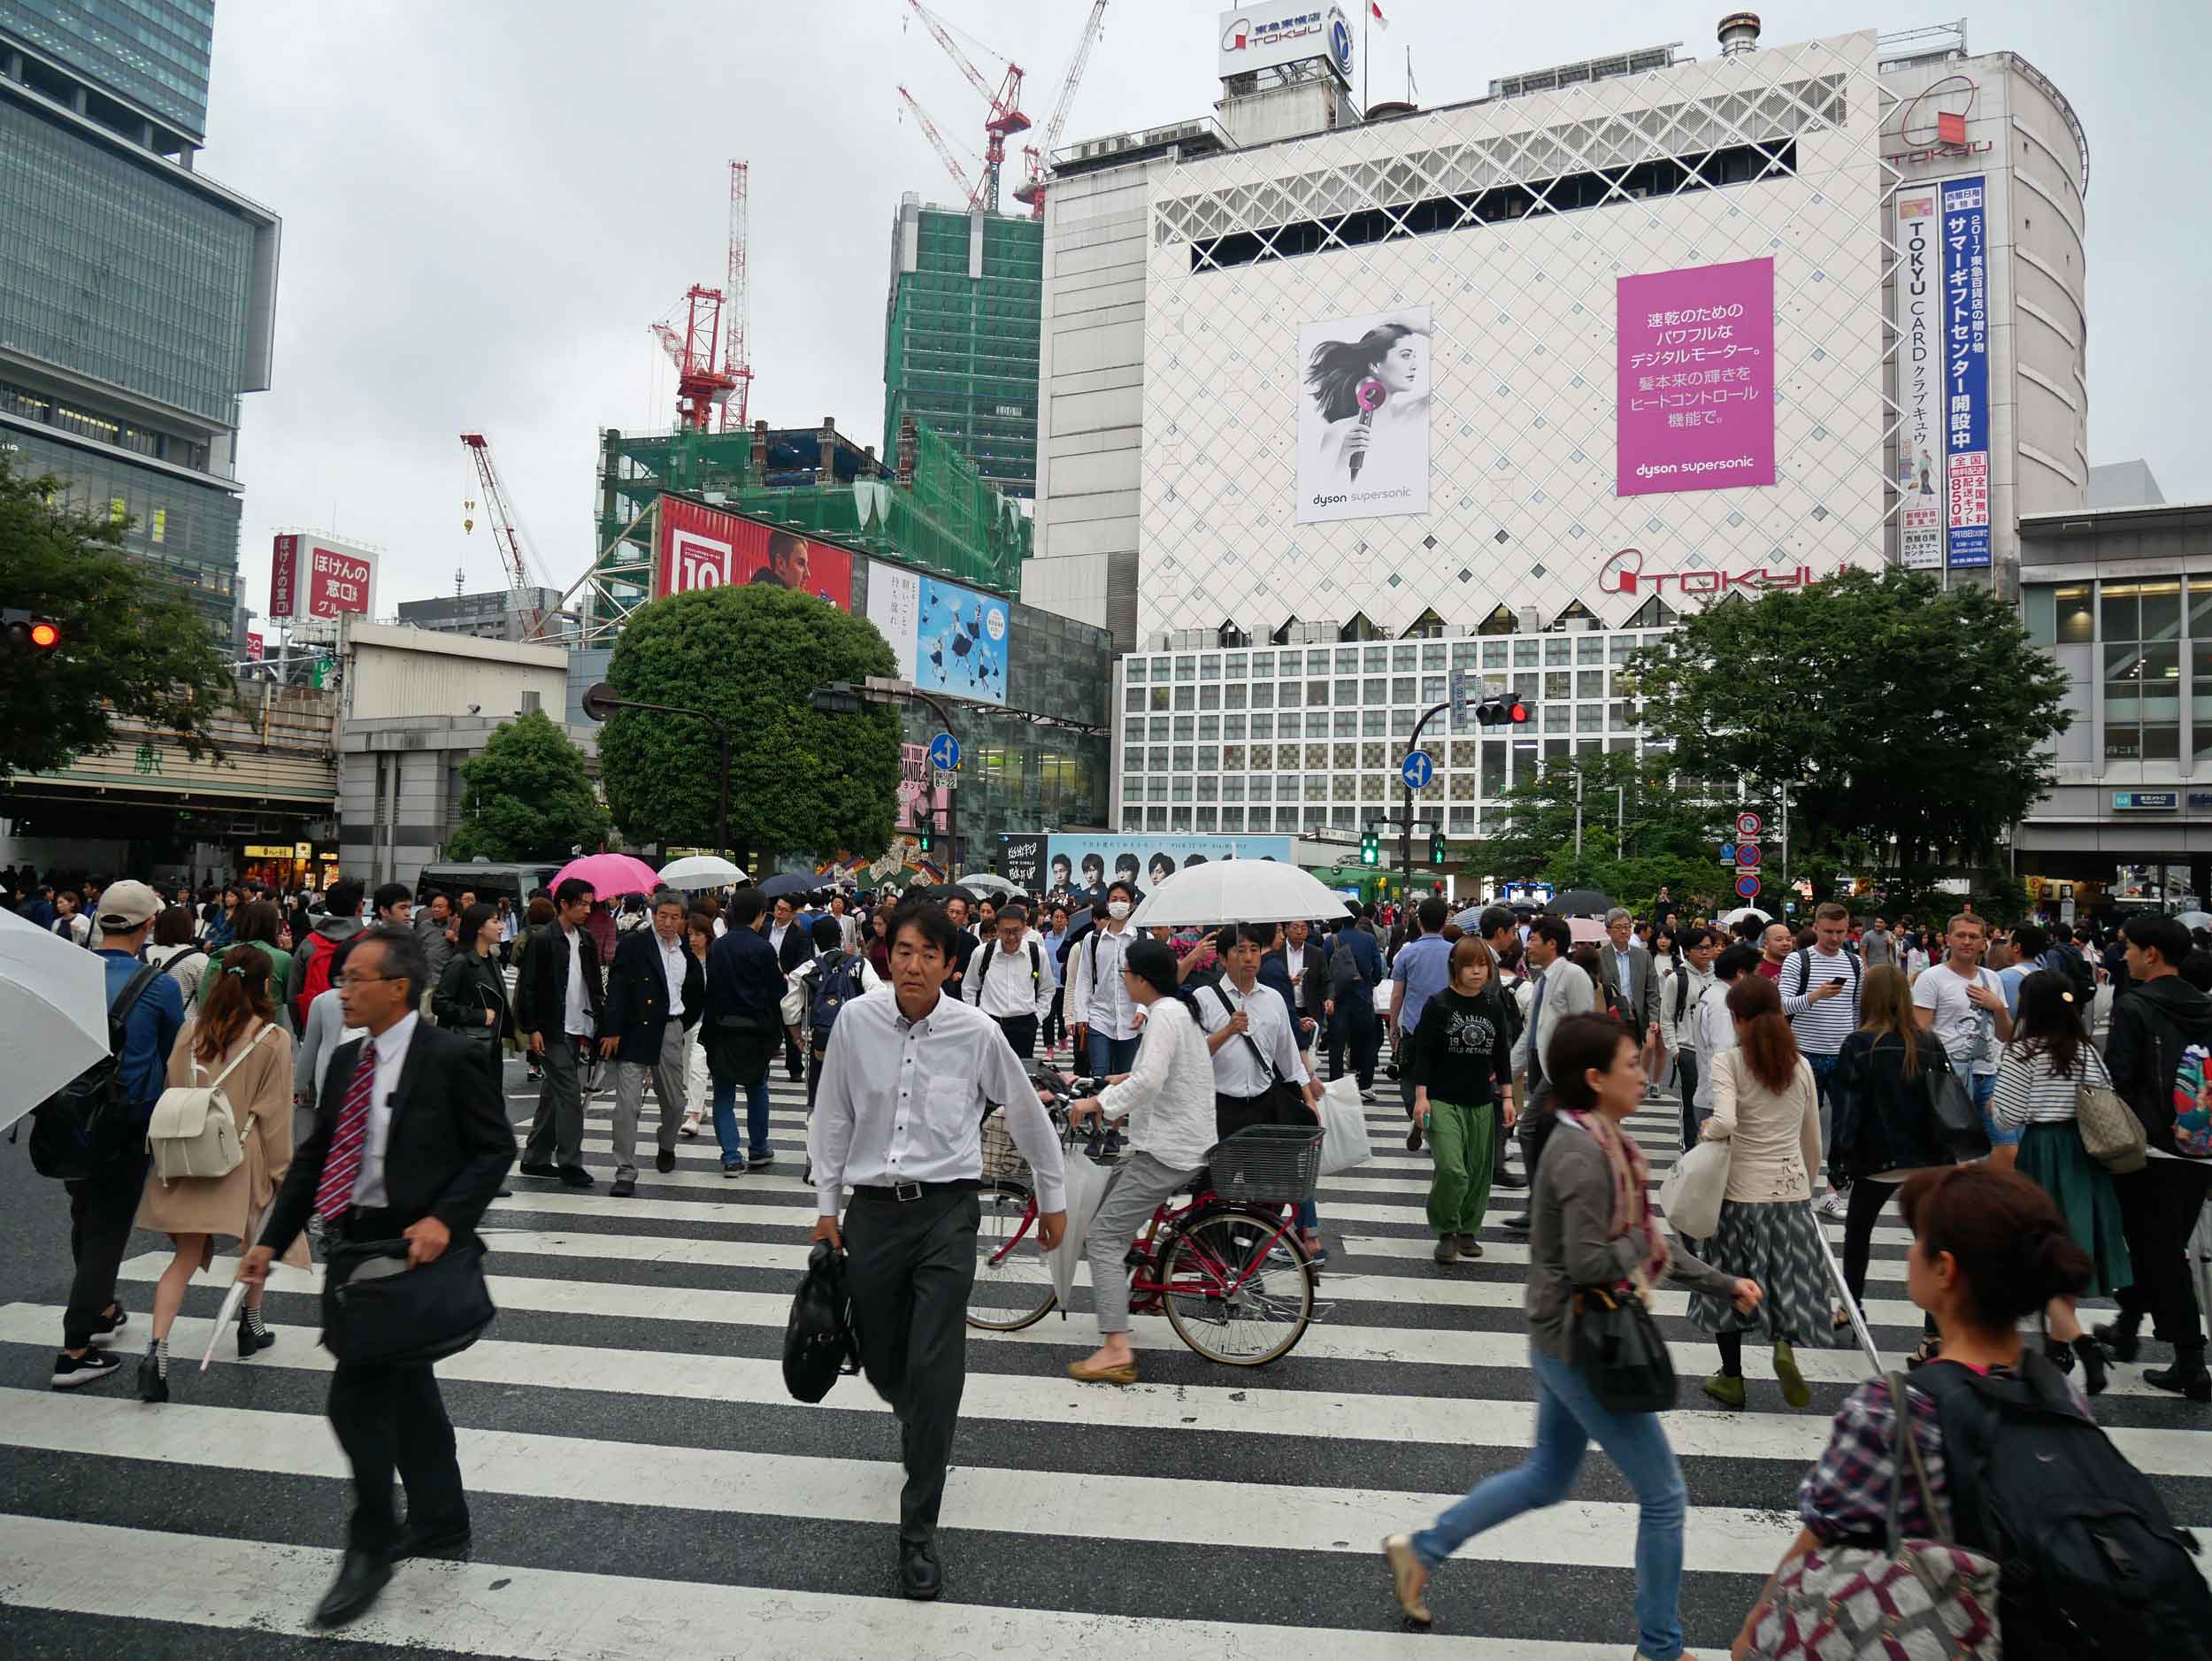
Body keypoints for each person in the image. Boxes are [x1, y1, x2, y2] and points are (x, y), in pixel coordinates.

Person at [1384, 1013, 1759, 1652]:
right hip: (1584, 1338)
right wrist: (1644, 1245)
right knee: (1665, 1495)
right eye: (1633, 1064)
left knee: (1548, 1475)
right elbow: (1594, 1259)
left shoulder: (1601, 1137)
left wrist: (1721, 1281)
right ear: (1595, 1077)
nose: (1646, 1073)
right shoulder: (1585, 1151)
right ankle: (1662, 1645)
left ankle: (1423, 1548)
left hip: (1563, 1331)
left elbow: (1641, 1241)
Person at [240, 925, 516, 1628]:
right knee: (408, 1389)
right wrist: (270, 1240)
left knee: (354, 1399)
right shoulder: (345, 1059)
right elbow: (315, 1159)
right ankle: (441, 1518)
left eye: (358, 976)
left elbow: (493, 1150)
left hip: (414, 1249)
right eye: (343, 976)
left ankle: (370, 1543)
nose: (344, 988)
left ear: (399, 986)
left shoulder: (449, 1058)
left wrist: (446, 1220)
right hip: (356, 1248)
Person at [1732, 1167, 2108, 1659]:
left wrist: (1750, 1637)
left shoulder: (1894, 1409)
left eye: (1919, 1240)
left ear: (1945, 1269)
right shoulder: (2058, 1394)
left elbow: (1819, 1537)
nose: (1909, 1252)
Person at [807, 899, 1068, 1601]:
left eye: (929, 953)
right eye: (903, 951)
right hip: (872, 1218)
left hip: (947, 1213)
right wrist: (826, 1209)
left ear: (952, 965)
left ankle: (918, 1529)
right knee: (888, 1361)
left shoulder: (975, 1031)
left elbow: (1023, 1107)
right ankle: (915, 1414)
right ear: (885, 955)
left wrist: (1052, 1193)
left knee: (936, 1364)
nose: (913, 964)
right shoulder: (856, 1024)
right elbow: (830, 1116)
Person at [132, 945, 306, 1400]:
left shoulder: (191, 1033)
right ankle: (250, 1325)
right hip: (240, 1155)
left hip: (189, 1153)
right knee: (257, 1244)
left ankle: (157, 1350)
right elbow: (274, 1113)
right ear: (265, 985)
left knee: (183, 1259)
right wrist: (284, 1171)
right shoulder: (271, 1038)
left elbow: (174, 1087)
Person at [1067, 935, 1223, 1386]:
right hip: (1181, 1141)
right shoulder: (1176, 1011)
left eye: (1125, 973)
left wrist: (1096, 1104)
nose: (1123, 980)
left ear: (1140, 978)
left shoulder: (1164, 1016)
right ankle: (1147, 1282)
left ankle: (1116, 1348)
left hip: (1169, 1149)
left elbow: (1150, 1081)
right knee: (1110, 1194)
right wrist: (1107, 1080)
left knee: (1102, 1239)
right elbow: (1154, 1073)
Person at [50, 880, 188, 1388]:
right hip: (127, 1120)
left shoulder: (71, 977)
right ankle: (75, 1347)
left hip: (67, 1116)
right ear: (148, 925)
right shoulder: (160, 986)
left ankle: (102, 1308)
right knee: (108, 1226)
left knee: (85, 1213)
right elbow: (174, 1055)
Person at [1688, 974, 1841, 1411]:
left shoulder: (1729, 1062)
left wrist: (1707, 1130)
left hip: (1737, 1192)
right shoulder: (1801, 1065)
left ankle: (1731, 1378)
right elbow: (1812, 1137)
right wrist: (1804, 1184)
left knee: (1729, 1280)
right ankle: (1783, 1349)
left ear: (1737, 1019)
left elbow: (1727, 1122)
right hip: (1789, 1191)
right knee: (1784, 1277)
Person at [1989, 970, 2129, 1394]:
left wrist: (1998, 1100)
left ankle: (2071, 1346)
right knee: (2066, 1250)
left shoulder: (2022, 1053)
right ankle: (2062, 1346)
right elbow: (2104, 1097)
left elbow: (2008, 1117)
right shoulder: (2084, 1051)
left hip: (2043, 1151)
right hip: (2083, 1154)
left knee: (2037, 1252)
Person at [2096, 911, 2212, 1400]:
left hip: (2151, 1148)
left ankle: (2191, 1362)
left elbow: (2119, 1077)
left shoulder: (2136, 1005)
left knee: (2158, 1253)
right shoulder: (2204, 1004)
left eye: (2129, 948)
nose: (2124, 956)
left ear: (2151, 954)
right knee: (2157, 1244)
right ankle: (2126, 1328)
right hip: (2201, 1144)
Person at [1827, 964, 1955, 1349]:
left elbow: (1847, 1109)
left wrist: (1840, 1162)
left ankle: (1852, 1306)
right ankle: (1934, 1331)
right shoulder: (1928, 1041)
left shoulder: (1859, 1044)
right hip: (1930, 1158)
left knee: (1859, 1232)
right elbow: (1946, 1100)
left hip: (1878, 1158)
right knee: (1931, 1240)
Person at [1408, 936, 1517, 1264]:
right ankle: (1445, 1229)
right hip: (1442, 1098)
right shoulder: (1439, 1004)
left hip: (1481, 1099)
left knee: (1478, 1172)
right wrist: (1421, 1098)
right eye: (1469, 965)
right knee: (1453, 1169)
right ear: (1455, 968)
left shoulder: (1492, 1005)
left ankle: (1468, 1230)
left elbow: (1501, 1055)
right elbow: (1423, 1055)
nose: (1476, 971)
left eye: (1482, 965)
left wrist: (1508, 1098)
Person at [601, 890, 704, 1197]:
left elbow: (696, 992)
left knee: (674, 1103)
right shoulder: (635, 943)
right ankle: (625, 1171)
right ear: (653, 914)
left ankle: (666, 1143)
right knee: (626, 1106)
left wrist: (681, 1024)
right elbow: (617, 987)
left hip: (671, 1031)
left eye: (675, 917)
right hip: (634, 1031)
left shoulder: (685, 951)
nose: (668, 923)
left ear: (683, 920)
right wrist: (612, 1030)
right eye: (663, 916)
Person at [1503, 915, 1595, 1234]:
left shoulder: (1573, 975)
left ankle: (1543, 1206)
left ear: (1551, 943)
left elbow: (1583, 1026)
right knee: (1545, 1137)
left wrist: (1576, 1075)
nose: (1527, 945)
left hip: (1561, 1073)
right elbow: (1532, 1031)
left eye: (1533, 940)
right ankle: (1548, 1206)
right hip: (1541, 1067)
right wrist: (1507, 1069)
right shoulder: (1542, 979)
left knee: (1529, 1131)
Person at [512, 877, 605, 1189]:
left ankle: (535, 1157)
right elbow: (527, 988)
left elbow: (593, 986)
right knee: (569, 1096)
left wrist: (598, 1022)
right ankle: (570, 1162)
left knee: (553, 1095)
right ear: (563, 905)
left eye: (589, 904)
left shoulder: (587, 940)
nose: (587, 909)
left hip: (580, 1025)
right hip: (552, 1028)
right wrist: (532, 1028)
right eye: (581, 903)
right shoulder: (543, 939)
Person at [1778, 902, 1863, 1219]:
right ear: (1816, 928)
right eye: (1829, 931)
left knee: (1844, 1125)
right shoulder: (1798, 961)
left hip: (1842, 1054)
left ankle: (1832, 1192)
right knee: (1796, 1124)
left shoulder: (1855, 964)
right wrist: (1814, 997)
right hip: (1802, 1054)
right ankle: (1796, 1189)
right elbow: (1783, 1005)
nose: (1835, 938)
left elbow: (1857, 1011)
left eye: (1841, 932)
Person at [1911, 913, 2012, 1147]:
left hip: (1989, 1073)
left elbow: (2005, 1035)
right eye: (1961, 935)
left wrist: (1997, 1007)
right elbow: (1920, 1033)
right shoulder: (1931, 978)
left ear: (1983, 943)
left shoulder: (1993, 979)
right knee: (1958, 1150)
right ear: (1948, 939)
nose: (1967, 941)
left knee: (2006, 1148)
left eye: (1974, 937)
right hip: (1950, 1077)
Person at [703, 887, 785, 1176]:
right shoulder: (763, 948)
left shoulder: (718, 946)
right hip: (755, 1031)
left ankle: (730, 1156)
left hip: (723, 1028)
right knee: (757, 1088)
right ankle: (759, 1148)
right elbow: (778, 990)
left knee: (723, 1094)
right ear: (760, 915)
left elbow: (710, 988)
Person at [1388, 897, 1454, 1150]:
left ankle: (1419, 1116)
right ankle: (1429, 1123)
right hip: (1449, 1029)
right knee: (1442, 1082)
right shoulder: (1455, 952)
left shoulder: (1407, 952)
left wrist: (1393, 1026)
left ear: (1419, 921)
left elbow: (1397, 995)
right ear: (1445, 921)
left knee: (1409, 1084)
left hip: (1414, 1028)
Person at [431, 901, 511, 1088]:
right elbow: (440, 1004)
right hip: (468, 1047)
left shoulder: (490, 960)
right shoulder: (461, 962)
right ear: (479, 928)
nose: (501, 926)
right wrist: (479, 1016)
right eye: (495, 921)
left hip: (489, 1045)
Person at [1068, 880, 1141, 1075]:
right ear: (1107, 904)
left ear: (1132, 905)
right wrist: (1081, 1014)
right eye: (1114, 899)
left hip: (1132, 1021)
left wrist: (1143, 1010)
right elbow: (1084, 979)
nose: (1119, 904)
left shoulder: (1142, 939)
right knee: (1100, 1075)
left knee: (1126, 1078)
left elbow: (1151, 981)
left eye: (1124, 900)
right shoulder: (1092, 939)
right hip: (1099, 1018)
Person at [964, 901, 1055, 1059]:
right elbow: (969, 987)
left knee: (1019, 1076)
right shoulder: (982, 953)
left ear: (1024, 927)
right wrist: (977, 1016)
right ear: (997, 930)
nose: (1011, 937)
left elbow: (1047, 989)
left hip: (1025, 1026)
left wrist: (1037, 1018)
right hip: (990, 1024)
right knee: (988, 1076)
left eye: (1016, 931)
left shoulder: (1037, 953)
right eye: (1006, 932)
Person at [1664, 926, 1719, 1149]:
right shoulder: (1677, 979)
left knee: (1717, 1105)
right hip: (1688, 1049)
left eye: (1709, 947)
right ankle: (1689, 1150)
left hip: (1717, 1050)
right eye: (1699, 948)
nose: (1705, 952)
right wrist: (1675, 1051)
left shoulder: (1719, 975)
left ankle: (1711, 1149)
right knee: (1691, 1106)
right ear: (1687, 951)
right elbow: (1666, 1017)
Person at [1600, 909, 1662, 1100]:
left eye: (1627, 927)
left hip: (1635, 1017)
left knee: (1630, 1057)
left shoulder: (1643, 956)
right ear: (1608, 931)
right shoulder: (1600, 956)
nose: (1624, 932)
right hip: (1610, 1017)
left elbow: (1652, 990)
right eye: (1619, 928)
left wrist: (1653, 1018)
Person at [1328, 911, 1386, 1100]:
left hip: (1339, 998)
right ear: (1360, 917)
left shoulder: (1332, 940)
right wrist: (1372, 982)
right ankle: (1365, 1085)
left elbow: (1324, 971)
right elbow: (1377, 968)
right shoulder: (1369, 939)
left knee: (1337, 1044)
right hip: (1363, 996)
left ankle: (1336, 1085)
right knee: (1367, 1041)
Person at [144, 904, 211, 1010]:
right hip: (184, 1023)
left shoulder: (140, 955)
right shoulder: (199, 959)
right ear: (188, 928)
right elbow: (207, 1000)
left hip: (146, 1022)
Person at [1039, 903, 1071, 1055]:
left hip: (1065, 984)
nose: (1059, 920)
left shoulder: (1071, 937)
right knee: (1048, 1017)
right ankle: (1049, 1046)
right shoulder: (1044, 938)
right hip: (1048, 984)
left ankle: (1062, 1037)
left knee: (1062, 1015)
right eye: (1056, 917)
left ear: (1067, 920)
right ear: (1051, 920)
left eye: (1062, 917)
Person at [413, 892, 457, 1000]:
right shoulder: (424, 925)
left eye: (440, 907)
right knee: (425, 1012)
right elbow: (415, 948)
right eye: (434, 906)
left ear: (450, 910)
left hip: (445, 981)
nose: (436, 909)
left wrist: (454, 939)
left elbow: (468, 949)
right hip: (425, 978)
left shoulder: (457, 925)